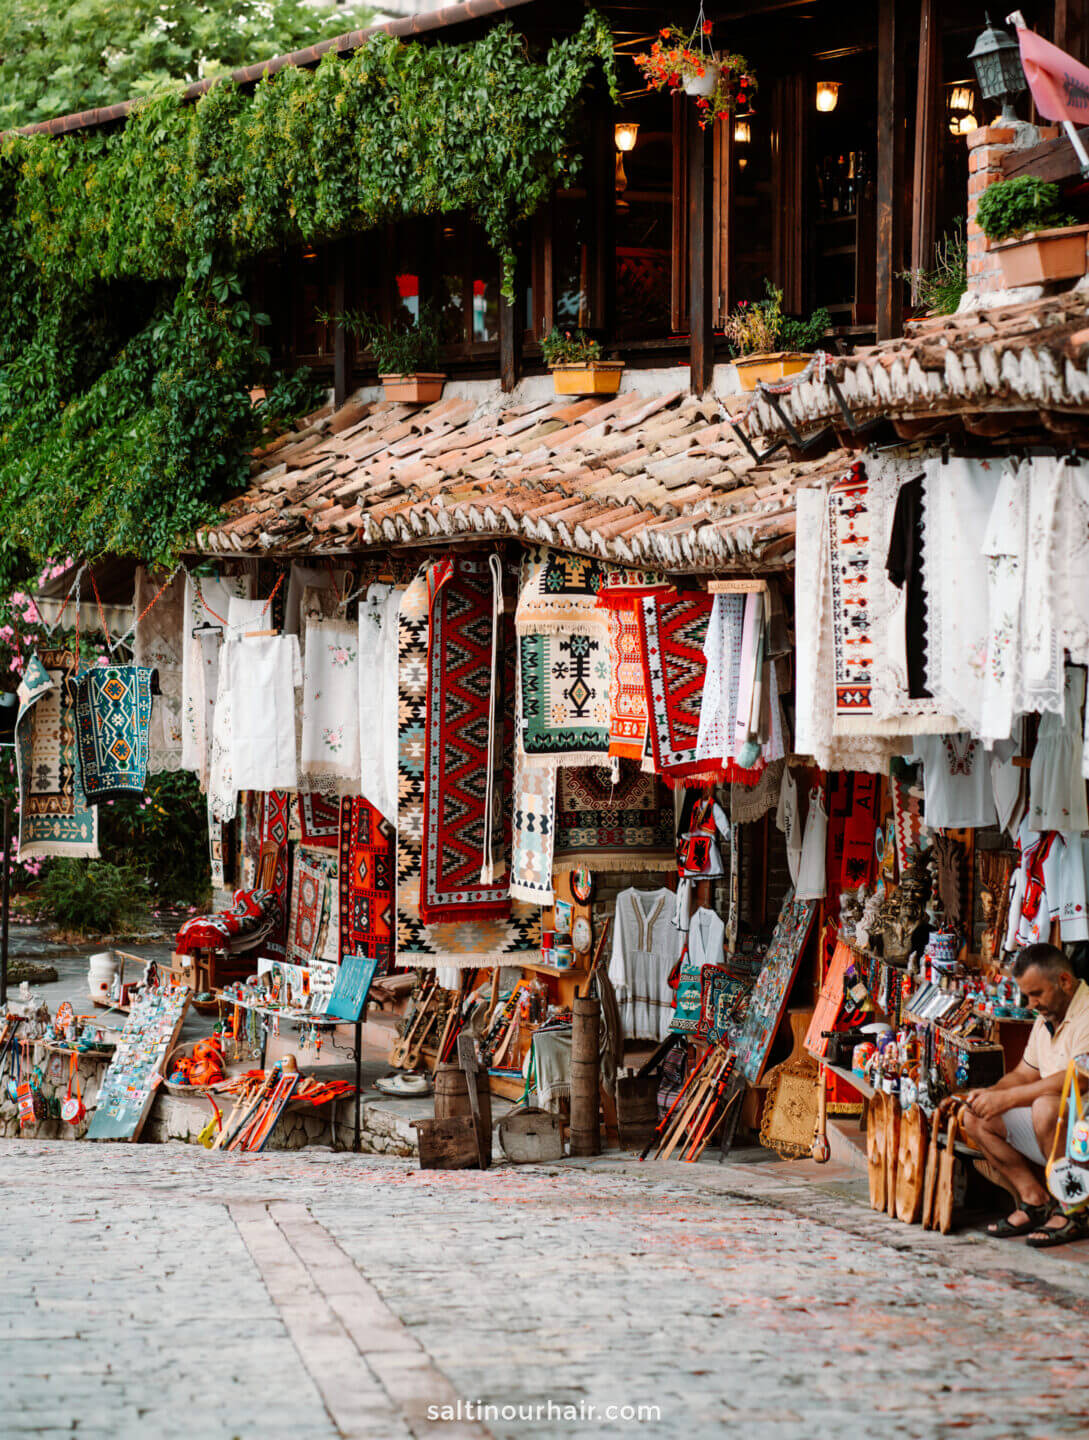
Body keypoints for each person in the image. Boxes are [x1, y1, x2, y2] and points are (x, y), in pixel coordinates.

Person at [961, 943, 1089, 1248]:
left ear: (1064, 982)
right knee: (976, 1116)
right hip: (1061, 1132)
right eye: (1027, 995)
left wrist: (1009, 1099)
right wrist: (990, 1095)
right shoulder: (1048, 1016)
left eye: (1036, 994)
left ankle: (1073, 1208)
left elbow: (1079, 1080)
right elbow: (1024, 1073)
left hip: (1080, 1132)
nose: (1031, 1004)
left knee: (1046, 1107)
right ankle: (1035, 1201)